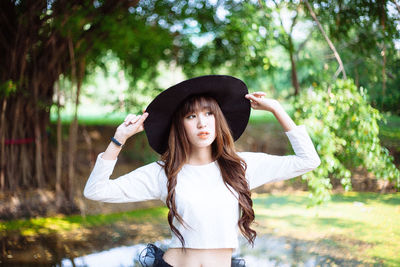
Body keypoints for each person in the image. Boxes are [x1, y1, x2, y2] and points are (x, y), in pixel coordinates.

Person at [83, 75, 321, 267]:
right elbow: (96, 190)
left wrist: (277, 110)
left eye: (209, 114)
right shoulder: (163, 173)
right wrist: (118, 140)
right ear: (180, 125)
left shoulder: (241, 168)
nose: (202, 123)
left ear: (218, 120)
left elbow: (309, 160)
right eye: (191, 116)